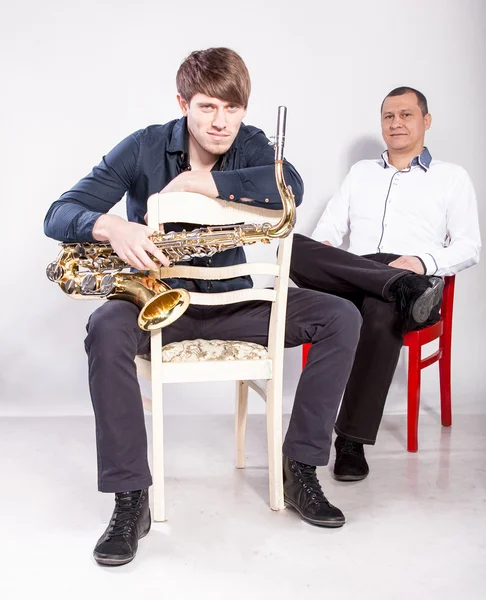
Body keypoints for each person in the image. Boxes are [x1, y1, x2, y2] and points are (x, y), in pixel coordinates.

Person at [45, 47, 368, 566]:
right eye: (207, 108)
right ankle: (131, 499)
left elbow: (294, 189)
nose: (221, 124)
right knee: (104, 326)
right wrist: (114, 226)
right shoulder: (144, 146)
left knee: (341, 316)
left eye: (233, 109)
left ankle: (301, 467)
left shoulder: (253, 143)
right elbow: (59, 213)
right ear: (183, 103)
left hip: (234, 303)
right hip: (159, 302)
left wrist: (203, 182)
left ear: (245, 108)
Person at [290, 86, 481, 483]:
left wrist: (422, 262)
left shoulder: (451, 178)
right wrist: (323, 255)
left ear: (426, 121)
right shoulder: (361, 173)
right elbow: (328, 234)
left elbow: (469, 247)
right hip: (357, 278)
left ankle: (350, 441)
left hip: (416, 287)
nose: (396, 123)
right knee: (291, 246)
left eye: (406, 115)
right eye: (389, 116)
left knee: (380, 309)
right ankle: (394, 284)